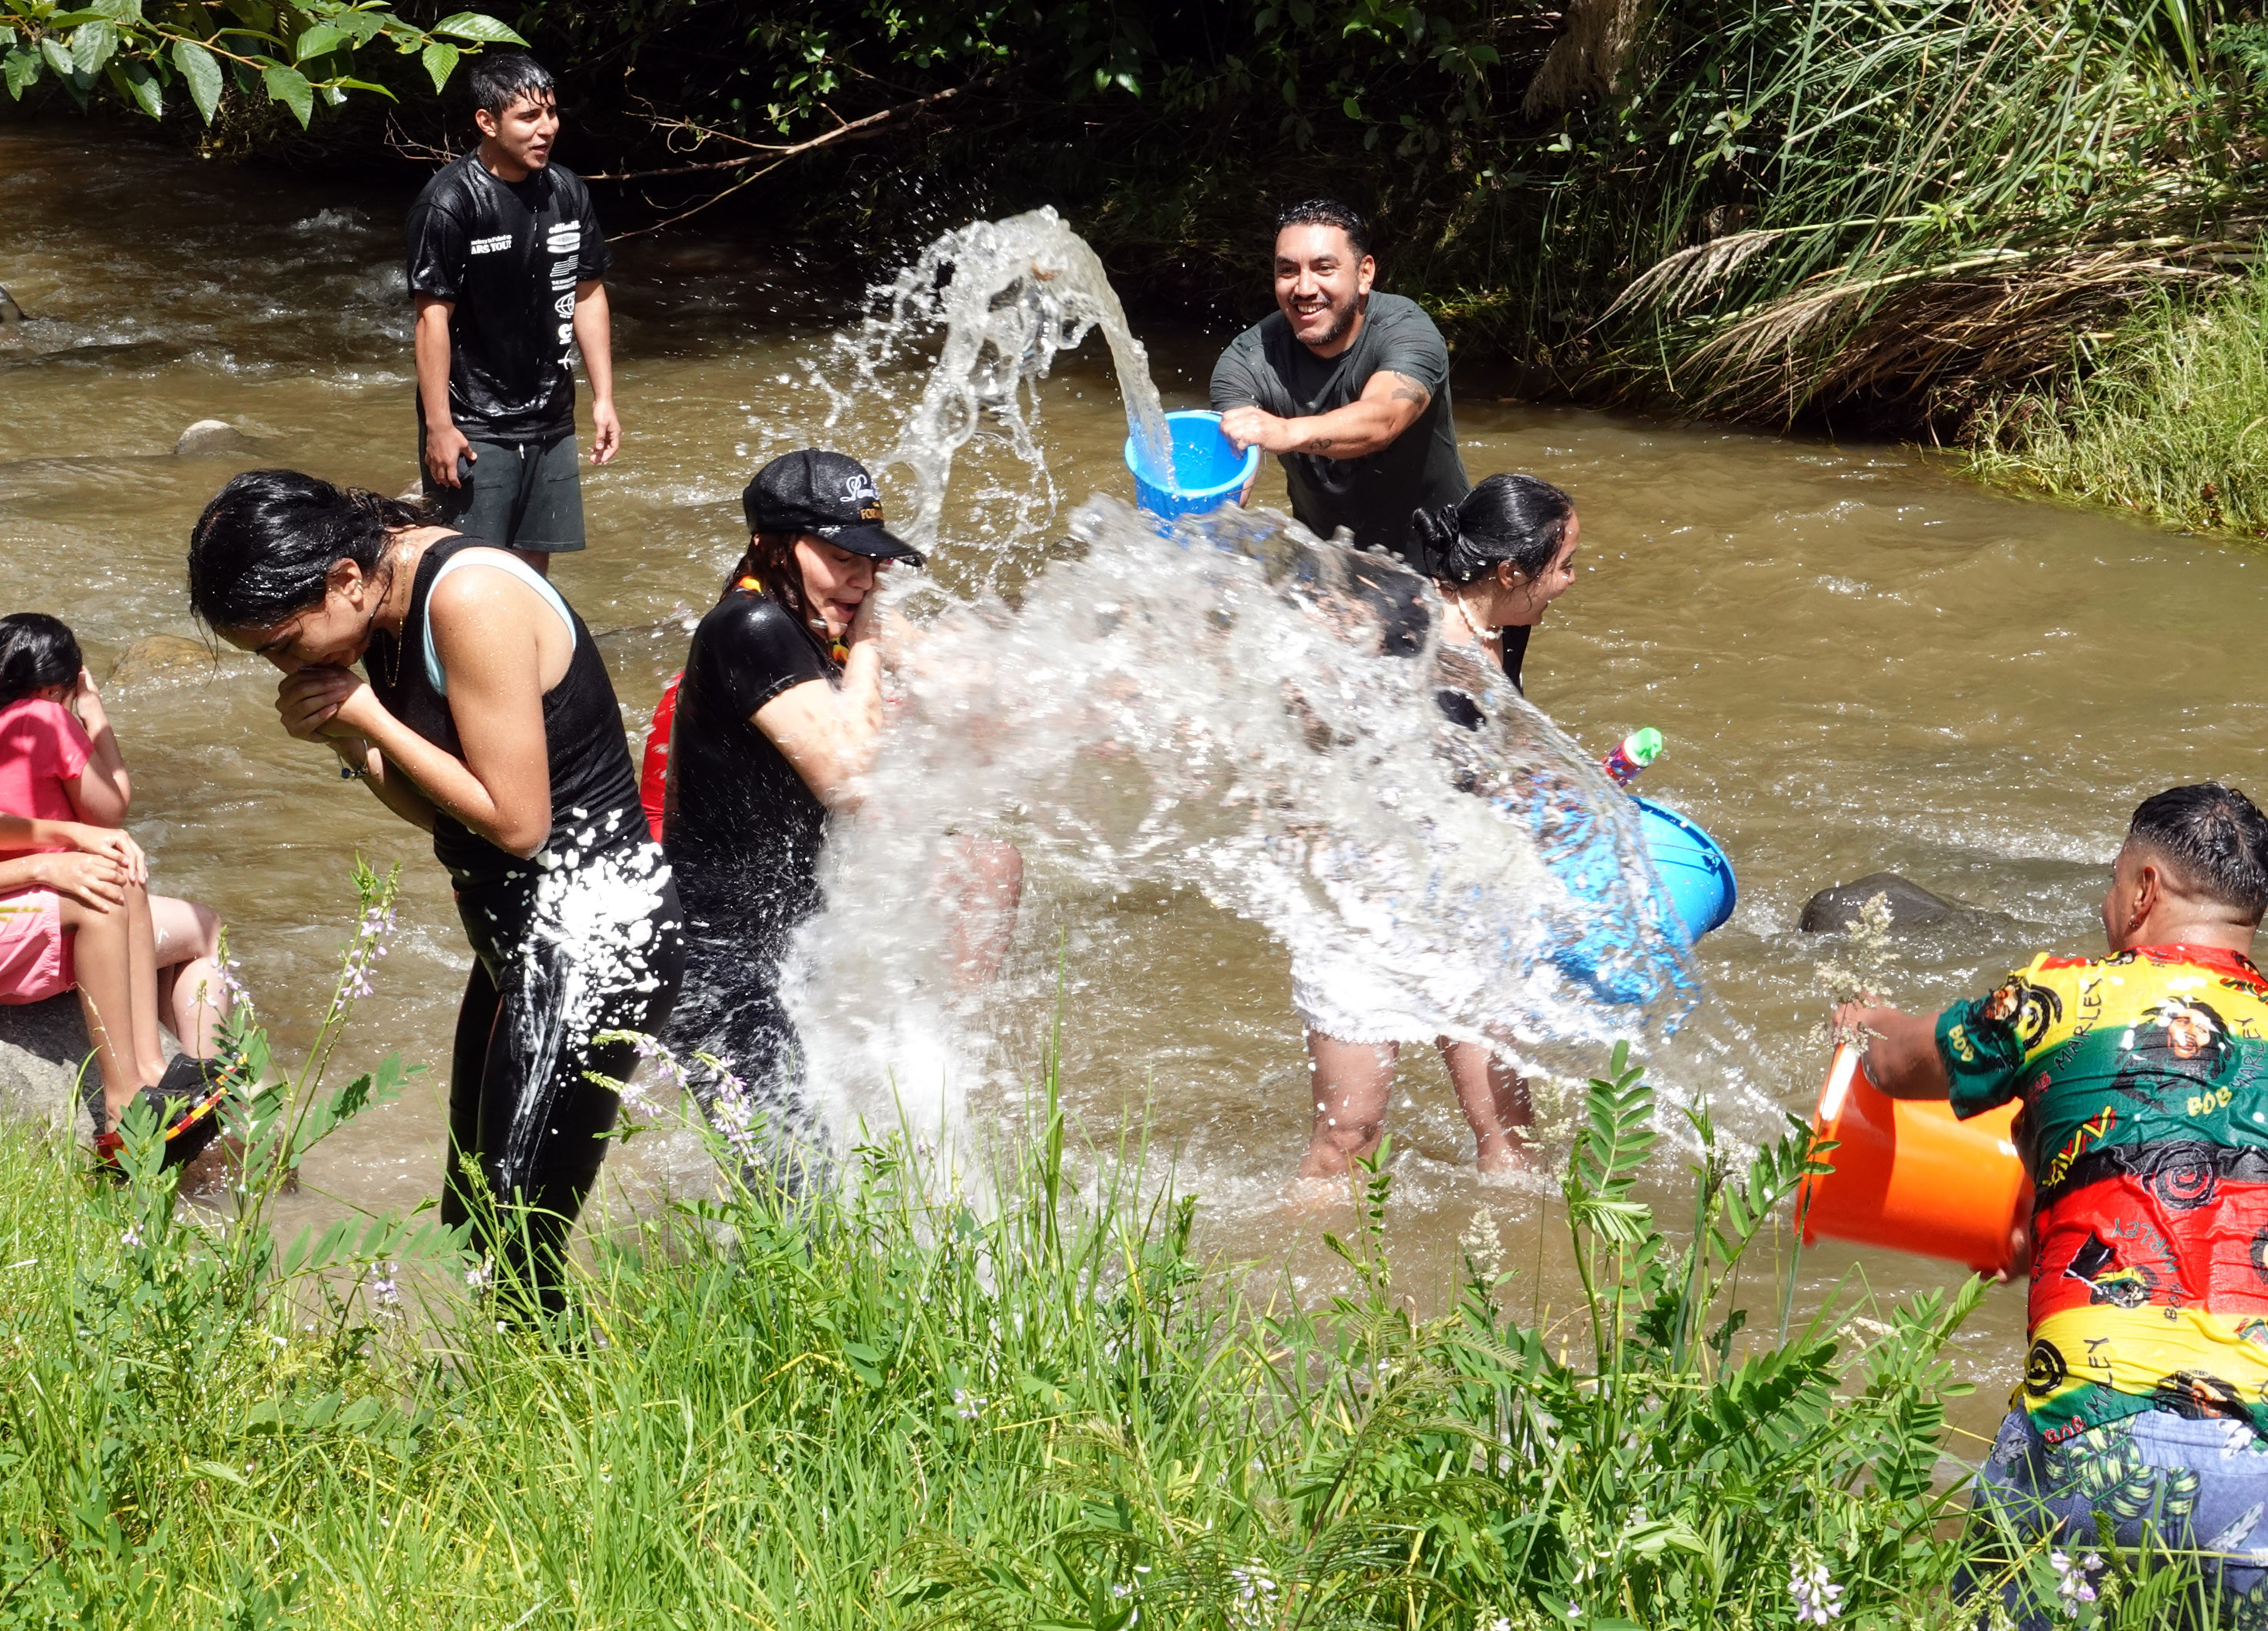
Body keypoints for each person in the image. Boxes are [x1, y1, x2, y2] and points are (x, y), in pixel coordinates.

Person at [187, 471, 684, 1315]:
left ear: (343, 576)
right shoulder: (373, 610)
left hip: (598, 938)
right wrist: (351, 740)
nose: (283, 663)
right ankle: (520, 1409)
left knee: (517, 1230)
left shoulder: (471, 598)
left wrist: (371, 719)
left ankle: (567, 1426)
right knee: (473, 1220)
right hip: (523, 941)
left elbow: (518, 823)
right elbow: (444, 814)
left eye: (280, 643)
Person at [1833, 783, 2268, 1623]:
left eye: (2112, 882)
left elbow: (1896, 1066)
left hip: (2087, 1428)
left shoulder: (2060, 1000)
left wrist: (1863, 1019)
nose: (2108, 904)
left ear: (2144, 888)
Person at [650, 450, 1019, 1192]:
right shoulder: (750, 625)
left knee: (846, 1167)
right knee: (798, 1190)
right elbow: (850, 778)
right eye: (842, 558)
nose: (862, 578)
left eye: (874, 561)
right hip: (716, 959)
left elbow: (975, 685)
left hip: (789, 942)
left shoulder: (810, 622)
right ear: (771, 545)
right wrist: (875, 640)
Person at [1292, 475, 1582, 1180]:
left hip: (1463, 901)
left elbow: (1490, 740)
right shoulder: (1396, 616)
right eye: (1564, 564)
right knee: (1349, 1141)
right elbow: (1297, 706)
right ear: (1511, 571)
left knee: (1512, 1137)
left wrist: (1546, 789)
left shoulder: (1502, 625)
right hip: (1363, 903)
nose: (1570, 582)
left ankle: (1528, 1280)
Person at [0, 614, 233, 1163]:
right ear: (56, 684)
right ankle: (134, 1098)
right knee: (138, 900)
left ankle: (158, 1073)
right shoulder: (41, 717)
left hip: (38, 913)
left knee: (132, 888)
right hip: (39, 912)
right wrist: (92, 712)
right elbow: (112, 806)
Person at [405, 52, 615, 574]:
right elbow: (431, 318)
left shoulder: (567, 190)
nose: (546, 129)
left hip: (551, 415)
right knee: (470, 573)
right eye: (528, 118)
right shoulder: (450, 203)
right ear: (487, 122)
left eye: (551, 114)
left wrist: (604, 399)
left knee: (531, 575)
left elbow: (587, 293)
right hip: (475, 423)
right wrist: (439, 426)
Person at [1210, 198, 1469, 581]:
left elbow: (1382, 419)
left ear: (1365, 273)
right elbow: (1233, 480)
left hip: (1447, 565)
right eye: (1287, 271)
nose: (1303, 287)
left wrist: (1283, 431)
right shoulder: (1246, 361)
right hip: (1331, 577)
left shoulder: (1407, 330)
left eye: (1323, 268)